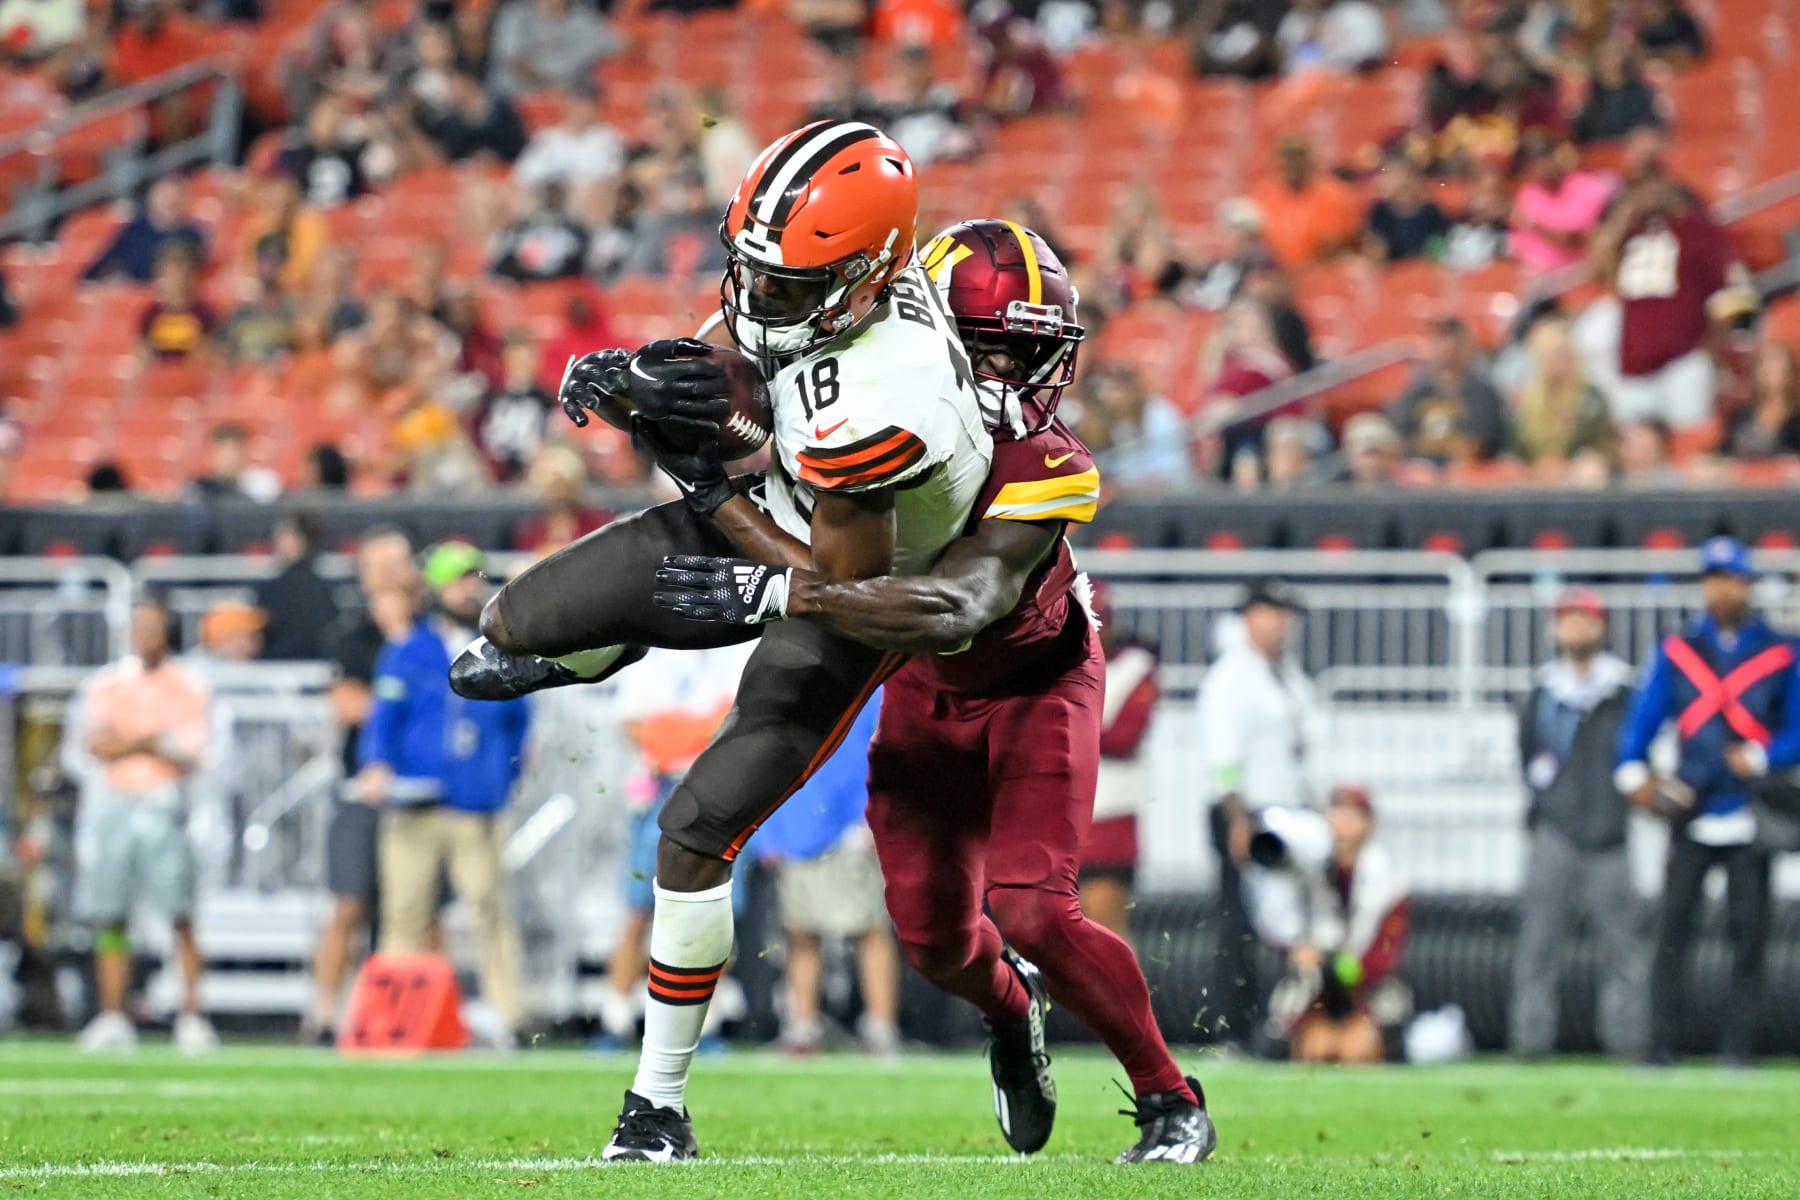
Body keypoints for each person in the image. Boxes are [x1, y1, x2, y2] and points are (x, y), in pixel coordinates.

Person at [449, 121, 992, 1161]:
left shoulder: (889, 389)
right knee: (508, 626)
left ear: (866, 281)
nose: (757, 299)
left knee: (694, 830)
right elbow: (721, 383)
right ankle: (619, 642)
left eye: (788, 285)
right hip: (777, 514)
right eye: (754, 270)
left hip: (862, 593)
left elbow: (835, 582)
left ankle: (657, 1104)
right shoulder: (799, 293)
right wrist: (638, 387)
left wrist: (704, 480)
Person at [652, 219, 1213, 1165]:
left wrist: (761, 567)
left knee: (1034, 908)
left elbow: (957, 606)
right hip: (920, 691)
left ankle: (1169, 1098)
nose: (1006, 377)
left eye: (1023, 354)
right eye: (985, 350)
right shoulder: (865, 412)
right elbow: (748, 378)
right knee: (933, 940)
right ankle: (1012, 1015)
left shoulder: (1050, 462)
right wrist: (680, 432)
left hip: (1036, 687)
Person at [1616, 537, 1800, 1066]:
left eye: (1732, 578)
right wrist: (1633, 772)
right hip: (1692, 807)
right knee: (1673, 933)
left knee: (1749, 938)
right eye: (1714, 578)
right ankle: (1661, 1046)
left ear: (1747, 584)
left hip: (1751, 810)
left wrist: (1763, 755)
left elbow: (1795, 728)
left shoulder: (1779, 650)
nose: (1722, 588)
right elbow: (1646, 718)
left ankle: (1739, 1047)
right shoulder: (1678, 650)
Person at [359, 542, 531, 1045]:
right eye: (458, 578)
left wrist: (504, 775)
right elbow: (384, 717)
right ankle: (394, 1020)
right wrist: (375, 765)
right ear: (434, 586)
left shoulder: (501, 650)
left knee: (489, 910)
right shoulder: (408, 650)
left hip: (477, 803)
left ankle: (509, 1017)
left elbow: (519, 723)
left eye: (474, 577)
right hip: (416, 802)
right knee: (404, 912)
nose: (469, 586)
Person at [65, 596, 218, 1054]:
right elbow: (92, 743)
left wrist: (129, 742)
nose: (144, 633)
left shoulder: (190, 684)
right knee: (110, 911)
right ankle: (112, 1012)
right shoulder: (107, 683)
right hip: (116, 802)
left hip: (165, 802)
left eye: (153, 625)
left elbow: (193, 749)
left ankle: (191, 1014)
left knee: (179, 912)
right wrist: (147, 741)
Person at [593, 642, 755, 1052]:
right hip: (661, 795)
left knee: (714, 916)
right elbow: (632, 725)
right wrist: (698, 731)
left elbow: (741, 722)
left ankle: (708, 1025)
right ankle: (616, 1018)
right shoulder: (651, 659)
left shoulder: (737, 654)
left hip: (721, 793)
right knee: (638, 910)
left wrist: (672, 731)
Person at [1508, 588, 1645, 1059]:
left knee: (1623, 948)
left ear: (1601, 626)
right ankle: (1530, 1041)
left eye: (1583, 618)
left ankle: (1627, 1042)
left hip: (1610, 834)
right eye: (1566, 619)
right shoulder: (1542, 693)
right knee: (1537, 945)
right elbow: (1528, 757)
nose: (1574, 628)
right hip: (1555, 832)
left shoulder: (1624, 692)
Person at [305, 528, 419, 1045]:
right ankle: (323, 1011)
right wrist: (407, 708)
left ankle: (395, 1018)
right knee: (349, 902)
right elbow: (347, 705)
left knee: (411, 912)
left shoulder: (427, 634)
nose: (394, 573)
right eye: (383, 563)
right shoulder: (349, 634)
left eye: (400, 562)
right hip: (363, 786)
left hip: (421, 792)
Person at [1195, 577, 1316, 1049]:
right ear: (1248, 618)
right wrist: (1238, 820)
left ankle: (1280, 1027)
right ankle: (1232, 1028)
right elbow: (1223, 756)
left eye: (1284, 614)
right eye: (1269, 612)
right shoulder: (1232, 676)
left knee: (1286, 922)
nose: (1279, 623)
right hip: (1246, 812)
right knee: (1239, 923)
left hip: (1286, 812)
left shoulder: (1287, 675)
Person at [753, 699, 900, 1056]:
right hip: (797, 821)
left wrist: (873, 817)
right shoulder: (784, 681)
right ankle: (802, 1028)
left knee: (869, 929)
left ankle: (881, 1029)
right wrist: (769, 832)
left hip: (852, 823)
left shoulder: (871, 684)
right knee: (799, 931)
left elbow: (890, 749)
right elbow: (762, 753)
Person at [1252, 787, 1409, 1064]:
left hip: (1364, 989)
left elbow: (1383, 953)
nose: (1343, 823)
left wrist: (1337, 965)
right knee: (1315, 1048)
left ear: (1368, 823)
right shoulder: (1306, 867)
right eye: (1337, 813)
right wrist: (1299, 947)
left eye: (1352, 815)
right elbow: (1275, 921)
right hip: (1316, 988)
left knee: (1356, 1050)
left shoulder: (1388, 881)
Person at [1589, 175, 1737, 431]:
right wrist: (1624, 216)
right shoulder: (1632, 234)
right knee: (1636, 454)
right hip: (1634, 366)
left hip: (1683, 361)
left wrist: (1710, 351)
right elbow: (1596, 269)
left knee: (1687, 441)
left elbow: (1723, 295)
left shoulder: (1700, 231)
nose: (1650, 197)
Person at [1082, 583, 1157, 942]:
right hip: (1056, 815)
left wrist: (1057, 728)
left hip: (1109, 813)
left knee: (1105, 925)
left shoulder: (1134, 667)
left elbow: (1125, 736)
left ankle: (1125, 1000)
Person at [1389, 317, 1510, 465]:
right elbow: (1399, 440)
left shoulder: (1485, 396)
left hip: (1469, 479)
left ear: (1469, 346)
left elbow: (1485, 444)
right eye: (1441, 338)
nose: (1448, 347)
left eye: (1455, 339)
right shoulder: (1413, 396)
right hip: (1419, 477)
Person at [1510, 132, 1616, 277]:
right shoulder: (1527, 194)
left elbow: (1575, 239)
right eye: (1530, 162)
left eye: (1543, 158)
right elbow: (1521, 248)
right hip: (1537, 277)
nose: (1539, 167)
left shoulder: (1589, 187)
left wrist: (1533, 224)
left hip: (1580, 272)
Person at [1250, 137, 1361, 266]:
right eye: (1287, 159)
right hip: (1275, 273)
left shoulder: (1333, 195)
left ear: (1310, 160)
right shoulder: (1263, 197)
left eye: (1298, 158)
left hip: (1322, 270)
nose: (1293, 164)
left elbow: (1335, 244)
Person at [82, 176, 206, 283]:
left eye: (175, 197)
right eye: (164, 196)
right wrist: (91, 280)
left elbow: (174, 272)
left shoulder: (190, 234)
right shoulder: (136, 227)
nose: (169, 202)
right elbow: (108, 256)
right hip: (123, 289)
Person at [488, 0, 621, 96]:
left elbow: (622, 45)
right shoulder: (515, 14)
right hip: (513, 98)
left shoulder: (582, 20)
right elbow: (512, 61)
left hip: (562, 106)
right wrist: (549, 84)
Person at [254, 513, 336, 661]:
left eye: (283, 536)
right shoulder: (326, 588)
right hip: (317, 664)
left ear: (299, 540)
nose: (276, 542)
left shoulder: (275, 588)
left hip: (277, 665)